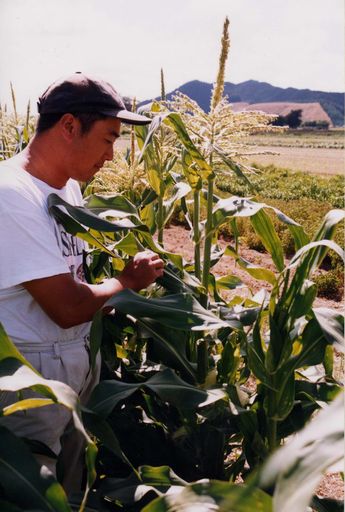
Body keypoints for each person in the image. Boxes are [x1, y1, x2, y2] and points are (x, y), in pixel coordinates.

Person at [0, 72, 164, 493]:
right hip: (31, 375)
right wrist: (127, 282)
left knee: (70, 489)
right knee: (35, 493)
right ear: (70, 126)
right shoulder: (11, 194)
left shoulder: (68, 189)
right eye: (109, 138)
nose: (111, 155)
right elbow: (67, 306)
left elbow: (73, 275)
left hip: (72, 360)